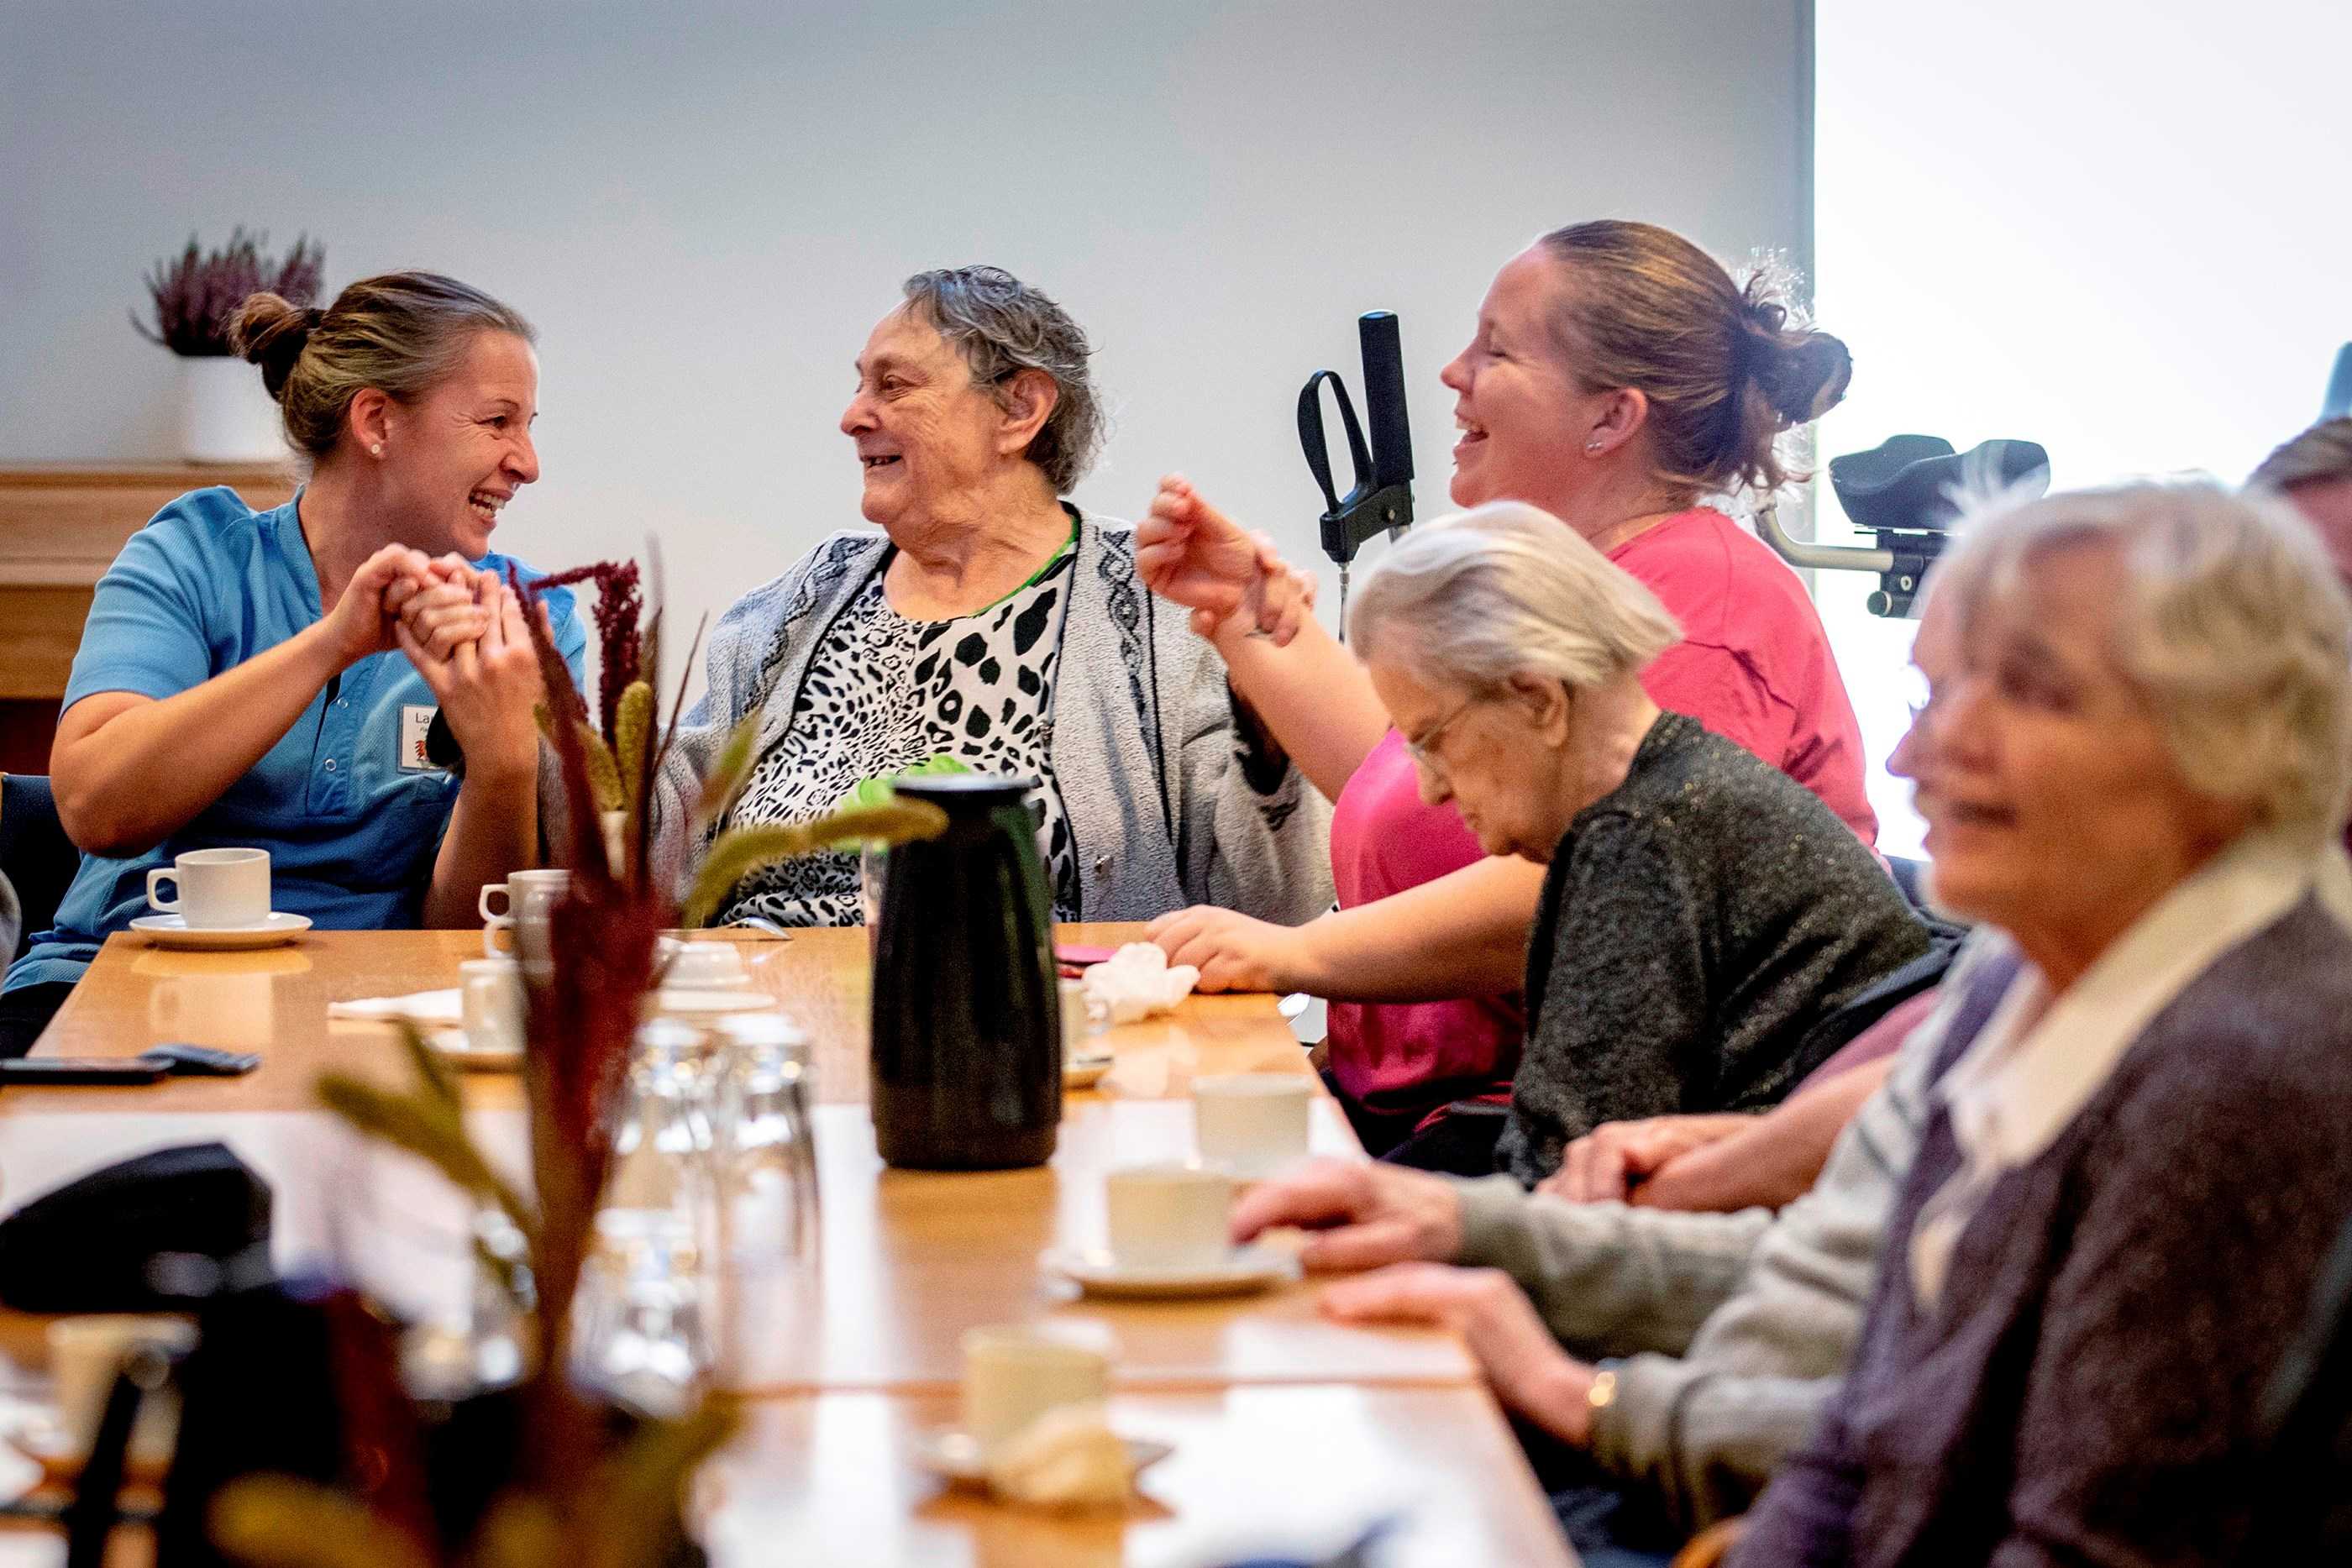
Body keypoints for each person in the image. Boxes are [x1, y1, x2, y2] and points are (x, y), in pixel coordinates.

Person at [1140, 220, 1878, 1151]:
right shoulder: (1566, 582)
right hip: (1430, 1111)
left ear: (1611, 416)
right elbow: (1409, 772)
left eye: (1496, 350)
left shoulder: (1705, 607)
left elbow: (1601, 881)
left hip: (1562, 1137)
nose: (1453, 373)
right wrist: (1246, 624)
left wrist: (1296, 954)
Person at [1730, 482, 2352, 1566]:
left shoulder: (2248, 1064)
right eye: (1934, 693)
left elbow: (2094, 1549)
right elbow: (1853, 1444)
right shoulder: (2016, 967)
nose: (1917, 757)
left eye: (2029, 691)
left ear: (2233, 730)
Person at [0, 273, 585, 1057]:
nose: (529, 462)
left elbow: (465, 939)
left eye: (529, 424)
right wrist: (329, 645)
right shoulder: (195, 555)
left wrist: (505, 758)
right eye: (496, 422)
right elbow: (94, 806)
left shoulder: (528, 625)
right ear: (376, 420)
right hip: (109, 989)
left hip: (385, 1016)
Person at [649, 266, 1329, 927]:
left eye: (893, 385)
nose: (853, 416)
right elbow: (656, 837)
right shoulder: (802, 600)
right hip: (767, 1022)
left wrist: (1269, 708)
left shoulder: (1160, 605)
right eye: (860, 386)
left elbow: (1275, 902)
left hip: (1033, 1024)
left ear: (1019, 410)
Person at [1336, 504, 1925, 1183]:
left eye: (1433, 741)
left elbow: (1562, 1184)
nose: (1432, 788)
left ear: (1538, 699)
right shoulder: (1666, 796)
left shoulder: (1638, 842)